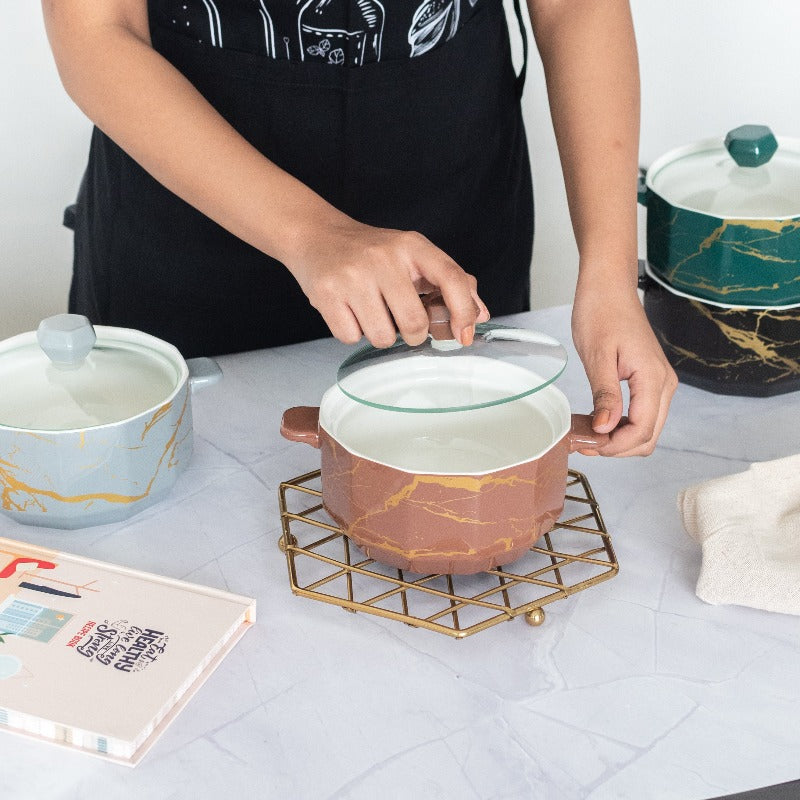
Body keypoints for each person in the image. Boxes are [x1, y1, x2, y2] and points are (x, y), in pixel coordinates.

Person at [42, 0, 676, 457]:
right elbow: (97, 32)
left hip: (453, 193)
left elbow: (576, 8)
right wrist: (312, 234)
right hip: (191, 209)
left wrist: (611, 273)